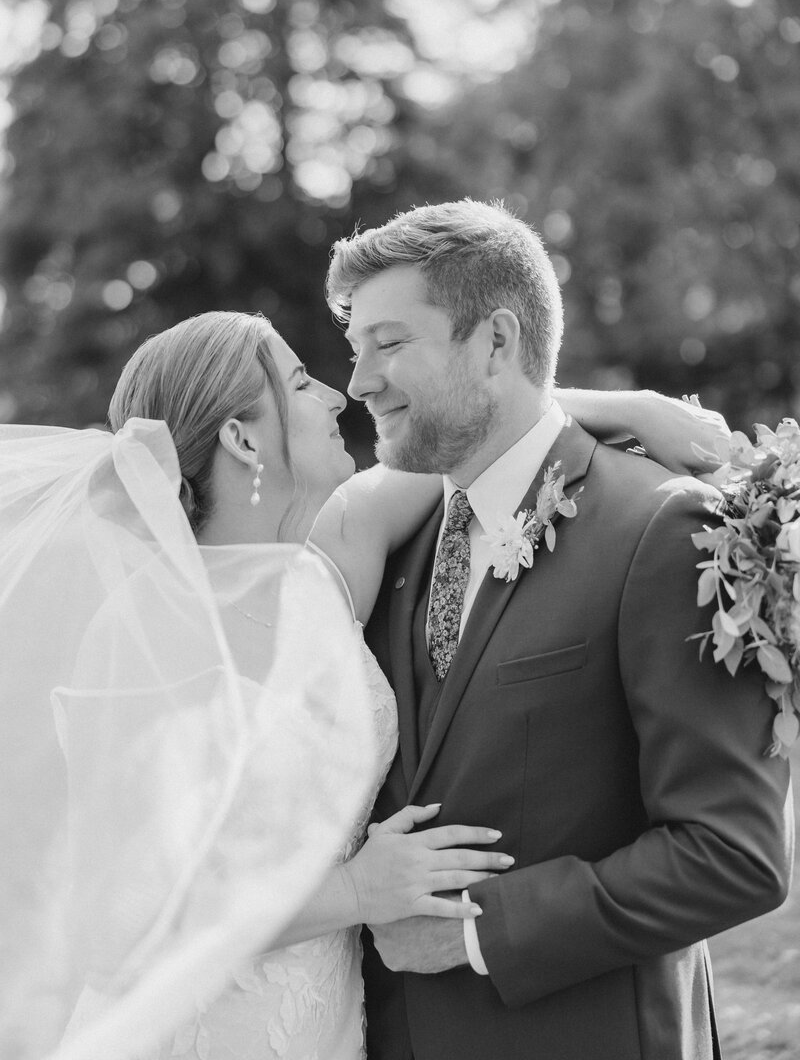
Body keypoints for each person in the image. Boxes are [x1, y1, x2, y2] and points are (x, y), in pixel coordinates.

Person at [0, 310, 739, 1060]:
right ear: (242, 437)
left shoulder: (328, 568)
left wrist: (637, 409)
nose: (335, 395)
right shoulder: (143, 638)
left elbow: (485, 426)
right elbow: (117, 923)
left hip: (333, 1026)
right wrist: (354, 893)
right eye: (297, 382)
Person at [326, 199, 794, 1060]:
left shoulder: (663, 531)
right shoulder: (397, 538)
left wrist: (475, 932)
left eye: (389, 345)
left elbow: (732, 855)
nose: (359, 383)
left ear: (497, 342)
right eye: (356, 351)